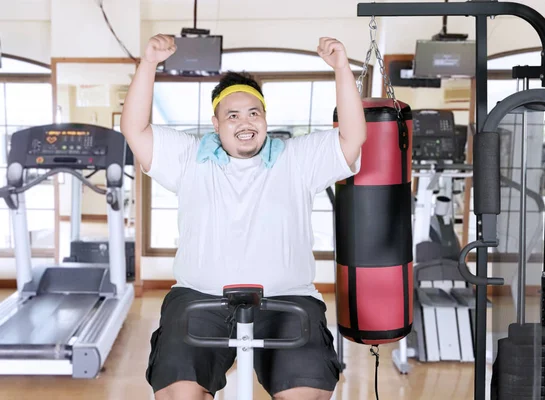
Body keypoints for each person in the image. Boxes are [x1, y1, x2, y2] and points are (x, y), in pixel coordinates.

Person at [121, 34, 366, 400]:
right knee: (179, 395)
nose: (244, 122)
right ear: (216, 124)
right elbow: (134, 130)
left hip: (288, 299)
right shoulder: (189, 158)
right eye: (232, 115)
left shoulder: (295, 158)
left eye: (254, 113)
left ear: (265, 119)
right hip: (199, 299)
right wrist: (149, 64)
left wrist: (342, 69)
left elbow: (352, 137)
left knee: (305, 395)